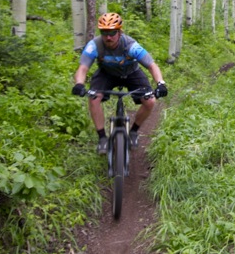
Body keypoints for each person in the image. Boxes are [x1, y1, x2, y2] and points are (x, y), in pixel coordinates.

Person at [71, 13, 168, 154]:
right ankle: (102, 138)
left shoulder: (131, 46)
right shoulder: (95, 45)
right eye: (104, 33)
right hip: (106, 74)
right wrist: (79, 84)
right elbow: (83, 68)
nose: (108, 37)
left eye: (112, 32)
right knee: (93, 98)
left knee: (150, 101)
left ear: (120, 32)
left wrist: (160, 83)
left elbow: (152, 66)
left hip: (131, 73)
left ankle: (134, 132)